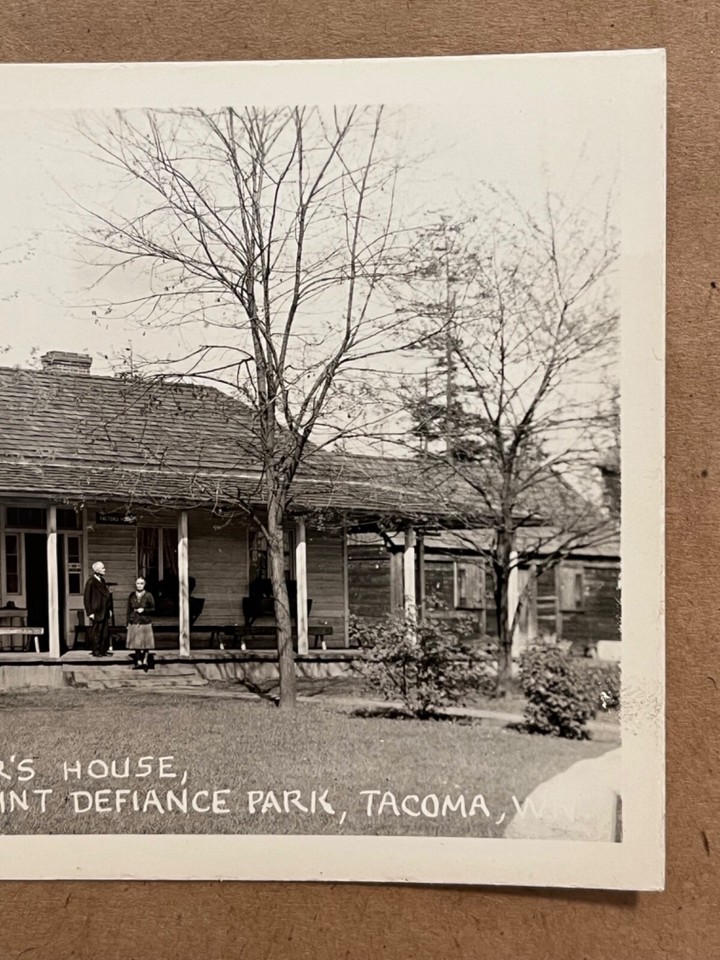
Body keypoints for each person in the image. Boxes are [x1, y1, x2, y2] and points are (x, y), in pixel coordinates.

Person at [126, 577, 156, 672]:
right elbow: (128, 610)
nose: (139, 585)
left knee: (146, 643)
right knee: (136, 642)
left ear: (144, 584)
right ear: (135, 584)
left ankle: (145, 660)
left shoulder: (148, 595)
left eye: (141, 583)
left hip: (145, 621)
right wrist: (127, 622)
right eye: (138, 583)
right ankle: (138, 661)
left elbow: (153, 609)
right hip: (134, 621)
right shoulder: (132, 595)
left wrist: (144, 610)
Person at [83, 561, 112, 658]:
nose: (105, 570)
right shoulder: (91, 582)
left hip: (104, 610)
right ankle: (96, 651)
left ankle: (103, 650)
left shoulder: (102, 581)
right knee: (97, 632)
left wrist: (109, 609)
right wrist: (90, 612)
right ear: (97, 570)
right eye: (103, 568)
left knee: (105, 632)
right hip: (96, 611)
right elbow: (86, 598)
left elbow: (107, 596)